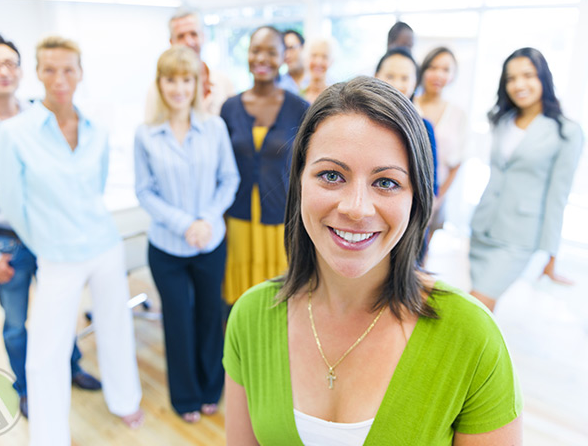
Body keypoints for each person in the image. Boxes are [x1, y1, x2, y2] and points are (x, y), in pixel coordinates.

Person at [223, 76, 523, 445]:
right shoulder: (250, 317)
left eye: (386, 182)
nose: (355, 208)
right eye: (331, 175)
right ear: (299, 181)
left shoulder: (472, 338)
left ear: (416, 198)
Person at [0, 36, 143, 445]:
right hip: (58, 256)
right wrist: (46, 240)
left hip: (104, 244)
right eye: (50, 69)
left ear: (80, 73)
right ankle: (48, 436)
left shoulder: (95, 129)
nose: (59, 78)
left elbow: (94, 189)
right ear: (37, 73)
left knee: (116, 326)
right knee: (46, 352)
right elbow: (11, 202)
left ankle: (125, 399)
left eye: (68, 69)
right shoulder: (15, 134)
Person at [0, 32, 101, 420]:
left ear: (22, 70)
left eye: (10, 63)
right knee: (17, 323)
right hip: (7, 245)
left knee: (62, 309)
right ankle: (26, 388)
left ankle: (72, 367)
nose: (3, 71)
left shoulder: (42, 116)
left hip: (50, 236)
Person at [134, 45, 240, 423]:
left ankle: (212, 388)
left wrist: (206, 221)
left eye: (186, 79)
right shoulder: (146, 135)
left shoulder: (214, 128)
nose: (178, 88)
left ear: (197, 84)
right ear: (159, 84)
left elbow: (230, 179)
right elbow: (144, 191)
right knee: (178, 323)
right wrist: (185, 225)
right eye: (170, 79)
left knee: (211, 317)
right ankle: (185, 397)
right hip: (167, 248)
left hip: (210, 241)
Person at [469, 47, 584, 311]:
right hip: (482, 227)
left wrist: (551, 254)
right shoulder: (503, 121)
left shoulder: (566, 132)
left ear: (544, 78)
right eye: (510, 78)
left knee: (474, 306)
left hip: (516, 239)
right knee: (481, 314)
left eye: (527, 75)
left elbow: (558, 196)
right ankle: (482, 354)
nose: (518, 84)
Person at [220, 26, 309, 307]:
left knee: (279, 302)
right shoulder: (229, 108)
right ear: (247, 55)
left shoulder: (300, 108)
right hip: (237, 221)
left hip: (280, 223)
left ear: (284, 57)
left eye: (271, 52)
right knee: (238, 302)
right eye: (255, 50)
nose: (262, 59)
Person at [414, 47, 468, 242]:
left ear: (453, 75)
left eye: (446, 69)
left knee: (424, 251)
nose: (438, 74)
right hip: (406, 192)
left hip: (437, 196)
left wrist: (438, 199)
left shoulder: (458, 114)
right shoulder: (409, 104)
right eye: (432, 67)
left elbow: (457, 163)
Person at [145, 8, 234, 118]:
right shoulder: (156, 89)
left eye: (194, 34)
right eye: (181, 36)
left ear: (203, 37)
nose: (189, 42)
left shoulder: (223, 81)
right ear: (172, 42)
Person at [375, 46, 438, 196]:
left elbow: (431, 187)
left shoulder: (424, 128)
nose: (397, 85)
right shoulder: (360, 121)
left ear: (415, 83)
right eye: (390, 76)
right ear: (376, 76)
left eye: (405, 78)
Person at [301, 37, 336, 104]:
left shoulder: (336, 97)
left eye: (325, 56)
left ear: (331, 61)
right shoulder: (298, 95)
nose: (318, 62)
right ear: (306, 58)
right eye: (314, 55)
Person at [278, 29, 307, 94]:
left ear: (303, 48)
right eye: (283, 50)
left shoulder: (319, 81)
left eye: (291, 48)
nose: (287, 55)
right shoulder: (278, 85)